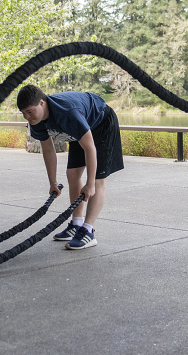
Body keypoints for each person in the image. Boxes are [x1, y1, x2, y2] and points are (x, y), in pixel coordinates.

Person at [17, 85, 124, 250]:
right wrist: (53, 182)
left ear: (41, 103)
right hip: (80, 128)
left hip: (101, 124)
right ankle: (76, 224)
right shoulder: (36, 120)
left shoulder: (67, 113)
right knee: (72, 174)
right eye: (23, 113)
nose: (27, 117)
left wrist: (89, 184)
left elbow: (89, 148)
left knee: (97, 181)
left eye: (30, 111)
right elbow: (48, 150)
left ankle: (88, 230)